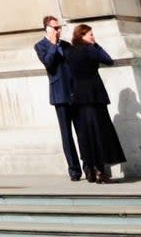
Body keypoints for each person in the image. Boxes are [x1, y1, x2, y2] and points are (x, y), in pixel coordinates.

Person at [66, 24, 127, 183]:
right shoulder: (90, 49)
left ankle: (91, 169)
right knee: (100, 133)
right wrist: (96, 45)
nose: (93, 37)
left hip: (79, 97)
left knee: (87, 134)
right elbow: (108, 60)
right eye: (90, 35)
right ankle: (101, 172)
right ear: (82, 36)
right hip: (94, 95)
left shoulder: (70, 52)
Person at [34, 15, 82, 181]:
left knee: (82, 131)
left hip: (75, 92)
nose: (59, 30)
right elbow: (48, 63)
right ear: (47, 29)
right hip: (60, 94)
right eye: (55, 28)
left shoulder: (67, 45)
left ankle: (89, 164)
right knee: (67, 135)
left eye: (59, 28)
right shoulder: (41, 46)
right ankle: (74, 170)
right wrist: (53, 44)